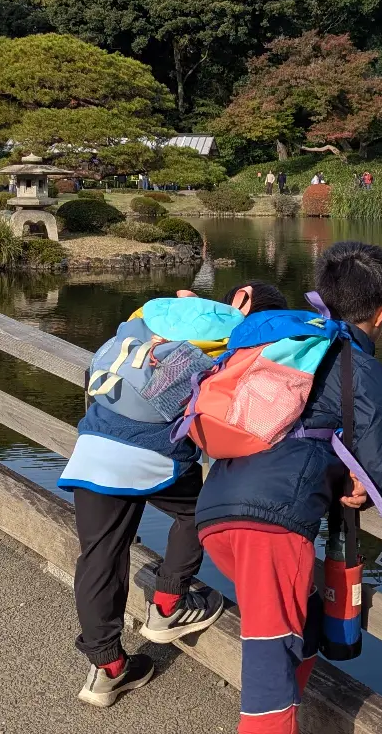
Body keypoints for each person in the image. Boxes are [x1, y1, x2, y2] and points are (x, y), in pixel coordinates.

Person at [196, 243, 382, 734]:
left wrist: (341, 479)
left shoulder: (294, 344)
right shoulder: (357, 362)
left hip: (219, 507)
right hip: (270, 526)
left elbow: (302, 436)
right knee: (270, 671)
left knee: (302, 627)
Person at [66, 282, 290, 708]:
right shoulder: (241, 341)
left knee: (99, 557)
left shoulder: (169, 315)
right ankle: (167, 605)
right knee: (200, 512)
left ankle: (106, 669)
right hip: (152, 455)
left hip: (95, 444)